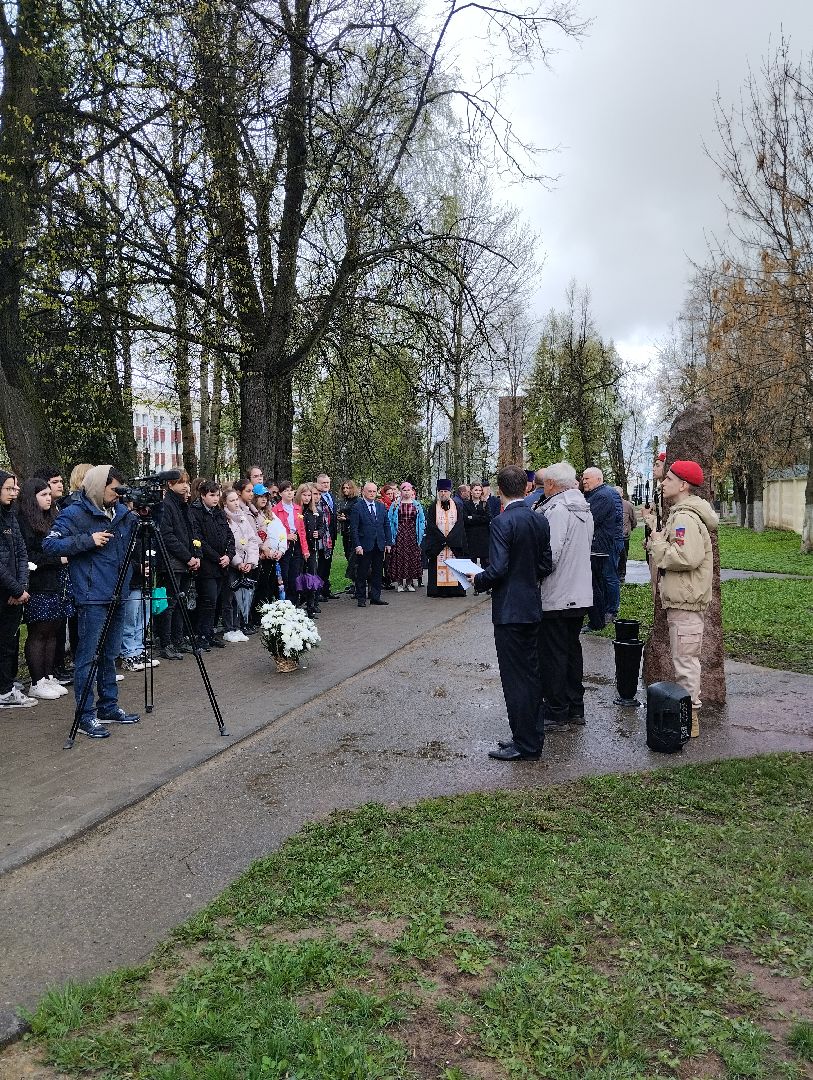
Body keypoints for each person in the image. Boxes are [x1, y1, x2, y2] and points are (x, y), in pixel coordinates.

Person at [43, 465, 140, 737]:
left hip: (118, 593)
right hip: (91, 596)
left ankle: (108, 706)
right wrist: (87, 540)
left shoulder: (122, 514)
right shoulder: (74, 513)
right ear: (98, 487)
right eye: (113, 490)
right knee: (87, 658)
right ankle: (85, 716)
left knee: (110, 655)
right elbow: (50, 545)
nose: (117, 496)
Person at [469, 465, 553, 761]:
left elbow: (499, 568)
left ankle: (527, 745)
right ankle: (528, 737)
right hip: (531, 605)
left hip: (509, 610)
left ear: (500, 490)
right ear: (526, 488)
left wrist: (478, 579)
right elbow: (546, 564)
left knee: (516, 678)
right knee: (530, 675)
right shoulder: (539, 520)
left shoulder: (502, 522)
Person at [644, 460, 718, 739]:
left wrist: (658, 544)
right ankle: (688, 718)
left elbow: (686, 557)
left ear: (683, 485)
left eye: (669, 480)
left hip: (686, 601)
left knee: (685, 661)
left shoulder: (686, 517)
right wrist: (656, 531)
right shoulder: (680, 514)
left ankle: (690, 721)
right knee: (683, 658)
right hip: (682, 600)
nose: (663, 483)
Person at [534, 462, 594, 729]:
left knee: (554, 654)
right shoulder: (583, 507)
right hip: (579, 592)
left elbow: (550, 554)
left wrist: (533, 574)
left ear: (551, 485)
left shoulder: (558, 510)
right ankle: (575, 707)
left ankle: (557, 709)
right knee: (571, 650)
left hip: (558, 594)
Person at [18, 478, 72, 699]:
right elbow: (30, 557)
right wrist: (57, 560)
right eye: (43, 494)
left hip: (57, 584)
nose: (48, 498)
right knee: (39, 632)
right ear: (32, 497)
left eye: (49, 494)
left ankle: (48, 676)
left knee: (53, 631)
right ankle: (36, 680)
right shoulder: (24, 521)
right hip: (39, 584)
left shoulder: (53, 519)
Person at [0, 471, 37, 710]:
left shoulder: (10, 517)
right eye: (9, 489)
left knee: (8, 644)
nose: (14, 493)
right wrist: (14, 588)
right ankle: (3, 692)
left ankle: (6, 686)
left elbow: (22, 553)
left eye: (16, 489)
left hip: (14, 594)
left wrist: (21, 587)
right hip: (5, 592)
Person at [155, 471, 200, 659]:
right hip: (172, 563)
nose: (185, 486)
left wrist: (196, 555)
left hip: (185, 561)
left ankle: (178, 639)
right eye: (180, 482)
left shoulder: (184, 505)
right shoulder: (166, 506)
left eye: (187, 482)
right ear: (170, 484)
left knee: (181, 602)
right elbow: (167, 536)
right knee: (170, 604)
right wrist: (187, 556)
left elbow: (192, 531)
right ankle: (166, 643)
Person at [190, 481, 235, 649]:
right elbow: (199, 539)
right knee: (208, 599)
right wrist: (217, 557)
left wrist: (229, 555)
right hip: (208, 565)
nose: (215, 499)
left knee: (216, 600)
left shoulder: (219, 513)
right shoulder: (195, 512)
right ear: (203, 495)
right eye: (211, 495)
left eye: (217, 495)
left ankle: (210, 632)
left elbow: (229, 536)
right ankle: (202, 634)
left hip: (222, 564)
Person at [581, 467, 623, 630]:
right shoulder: (600, 493)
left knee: (607, 577)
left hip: (605, 543)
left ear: (598, 479)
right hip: (604, 542)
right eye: (583, 478)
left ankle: (610, 611)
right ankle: (604, 610)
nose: (584, 481)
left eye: (587, 479)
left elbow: (590, 519)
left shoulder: (602, 496)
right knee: (602, 578)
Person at [222, 487, 260, 641]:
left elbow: (252, 539)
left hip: (245, 562)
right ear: (225, 502)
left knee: (241, 595)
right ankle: (229, 627)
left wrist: (250, 561)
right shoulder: (225, 519)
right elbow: (229, 543)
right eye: (232, 501)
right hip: (233, 563)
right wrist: (237, 562)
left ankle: (238, 626)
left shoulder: (243, 517)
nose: (236, 503)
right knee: (229, 597)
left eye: (236, 499)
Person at [348, 481, 392, 607]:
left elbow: (386, 525)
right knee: (362, 572)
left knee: (378, 572)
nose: (372, 494)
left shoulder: (380, 506)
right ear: (364, 492)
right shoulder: (357, 507)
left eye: (374, 491)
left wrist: (388, 542)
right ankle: (361, 598)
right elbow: (354, 528)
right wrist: (357, 545)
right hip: (364, 545)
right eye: (369, 491)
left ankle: (375, 597)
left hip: (379, 544)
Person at [422, 480, 467, 598]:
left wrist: (451, 538)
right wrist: (442, 538)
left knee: (454, 565)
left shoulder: (457, 506)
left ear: (450, 492)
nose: (443, 494)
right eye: (441, 491)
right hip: (438, 543)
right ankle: (437, 591)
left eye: (445, 491)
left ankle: (455, 591)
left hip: (453, 542)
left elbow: (460, 524)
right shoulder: (433, 507)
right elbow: (431, 525)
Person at [273, 481, 309, 604]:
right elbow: (273, 531)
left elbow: (302, 531)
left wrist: (305, 549)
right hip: (284, 546)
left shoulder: (298, 508)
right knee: (284, 576)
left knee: (295, 576)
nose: (289, 493)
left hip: (296, 545)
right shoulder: (275, 510)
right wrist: (286, 536)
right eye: (286, 490)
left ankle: (293, 604)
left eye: (291, 490)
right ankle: (283, 603)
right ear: (280, 493)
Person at [387, 481, 425, 591]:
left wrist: (421, 532)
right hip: (399, 534)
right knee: (399, 558)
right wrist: (391, 535)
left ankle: (409, 583)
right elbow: (389, 521)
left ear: (411, 491)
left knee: (411, 558)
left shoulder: (417, 505)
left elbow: (422, 520)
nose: (407, 492)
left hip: (413, 534)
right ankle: (399, 584)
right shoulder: (395, 505)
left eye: (409, 490)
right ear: (401, 491)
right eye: (404, 490)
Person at [298, 483, 324, 617]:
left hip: (312, 549)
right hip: (299, 549)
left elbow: (322, 528)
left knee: (311, 576)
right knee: (299, 577)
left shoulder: (316, 512)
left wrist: (318, 533)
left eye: (309, 495)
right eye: (305, 495)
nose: (307, 498)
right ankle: (298, 603)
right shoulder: (297, 511)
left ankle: (311, 605)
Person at [314, 473, 340, 601]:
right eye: (323, 483)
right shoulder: (316, 497)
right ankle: (317, 591)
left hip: (331, 535)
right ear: (317, 484)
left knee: (327, 563)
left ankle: (325, 589)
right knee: (320, 565)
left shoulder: (330, 496)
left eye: (327, 482)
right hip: (320, 535)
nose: (326, 485)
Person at [338, 480, 360, 592]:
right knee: (348, 556)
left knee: (354, 559)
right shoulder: (343, 501)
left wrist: (347, 518)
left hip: (353, 533)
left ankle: (358, 584)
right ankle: (354, 582)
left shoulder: (357, 501)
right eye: (344, 488)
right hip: (345, 533)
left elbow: (358, 517)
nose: (345, 490)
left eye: (348, 488)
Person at [462, 482, 491, 566]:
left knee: (485, 564)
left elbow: (488, 518)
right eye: (475, 490)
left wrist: (473, 517)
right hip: (471, 538)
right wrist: (480, 518)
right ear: (471, 491)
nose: (478, 492)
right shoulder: (466, 504)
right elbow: (465, 519)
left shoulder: (485, 504)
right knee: (471, 564)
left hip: (484, 537)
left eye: (479, 490)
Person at [616, 486, 637, 583]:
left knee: (623, 555)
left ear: (622, 493)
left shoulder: (628, 505)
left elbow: (633, 520)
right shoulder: (610, 504)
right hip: (613, 536)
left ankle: (621, 574)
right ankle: (617, 573)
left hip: (624, 535)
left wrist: (630, 528)